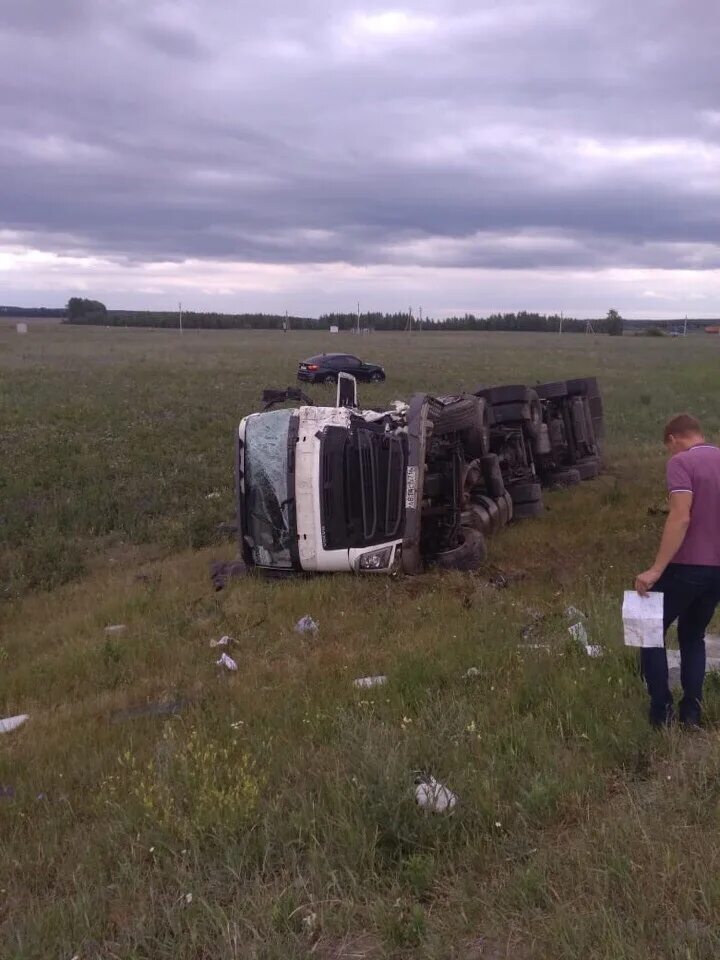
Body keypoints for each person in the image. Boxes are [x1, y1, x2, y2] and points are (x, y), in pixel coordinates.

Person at [635, 414, 720, 728]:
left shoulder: (682, 463)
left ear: (674, 439)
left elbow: (680, 517)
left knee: (649, 631)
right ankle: (692, 715)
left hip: (687, 566)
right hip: (717, 572)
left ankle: (661, 714)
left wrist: (656, 569)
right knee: (692, 635)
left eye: (668, 447)